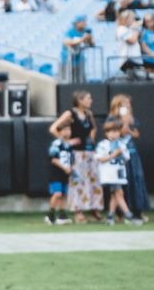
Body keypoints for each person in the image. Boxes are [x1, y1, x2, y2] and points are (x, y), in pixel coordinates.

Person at [48, 91, 101, 223]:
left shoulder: (89, 114)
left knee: (93, 181)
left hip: (89, 152)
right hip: (76, 153)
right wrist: (66, 142)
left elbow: (93, 128)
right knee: (78, 182)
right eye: (88, 98)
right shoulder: (70, 113)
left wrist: (91, 140)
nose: (91, 101)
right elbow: (53, 128)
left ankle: (94, 208)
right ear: (80, 100)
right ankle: (78, 211)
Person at [110, 94, 149, 224]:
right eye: (124, 103)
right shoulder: (112, 118)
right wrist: (124, 120)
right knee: (122, 184)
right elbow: (118, 132)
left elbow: (136, 133)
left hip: (132, 153)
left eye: (128, 103)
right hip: (119, 154)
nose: (127, 106)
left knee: (136, 180)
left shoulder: (132, 118)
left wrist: (130, 128)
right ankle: (121, 213)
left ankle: (138, 211)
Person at [94, 120, 131, 225]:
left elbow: (127, 158)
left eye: (116, 131)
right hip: (109, 173)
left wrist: (121, 153)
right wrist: (113, 155)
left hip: (119, 172)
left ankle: (110, 216)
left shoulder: (121, 144)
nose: (114, 134)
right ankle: (128, 214)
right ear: (106, 133)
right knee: (119, 193)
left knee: (115, 195)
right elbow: (100, 159)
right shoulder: (103, 145)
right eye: (111, 132)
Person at [45, 122, 74, 225]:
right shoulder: (56, 144)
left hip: (65, 173)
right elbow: (53, 159)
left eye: (69, 130)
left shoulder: (69, 145)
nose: (67, 132)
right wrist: (64, 167)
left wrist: (71, 168)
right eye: (65, 130)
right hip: (56, 173)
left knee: (64, 195)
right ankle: (50, 215)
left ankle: (62, 216)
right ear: (59, 132)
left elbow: (71, 159)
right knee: (57, 194)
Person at [61, 15, 94, 82]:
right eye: (83, 22)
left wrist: (90, 39)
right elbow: (66, 42)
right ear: (77, 23)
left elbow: (92, 44)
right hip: (68, 61)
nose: (85, 23)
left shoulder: (85, 31)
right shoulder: (70, 31)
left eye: (85, 21)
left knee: (81, 80)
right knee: (68, 81)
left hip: (79, 61)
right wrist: (82, 39)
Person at [115, 9, 143, 77]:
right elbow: (132, 41)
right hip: (128, 61)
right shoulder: (121, 29)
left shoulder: (130, 29)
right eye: (132, 18)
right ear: (126, 19)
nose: (134, 20)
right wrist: (135, 29)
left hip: (135, 60)